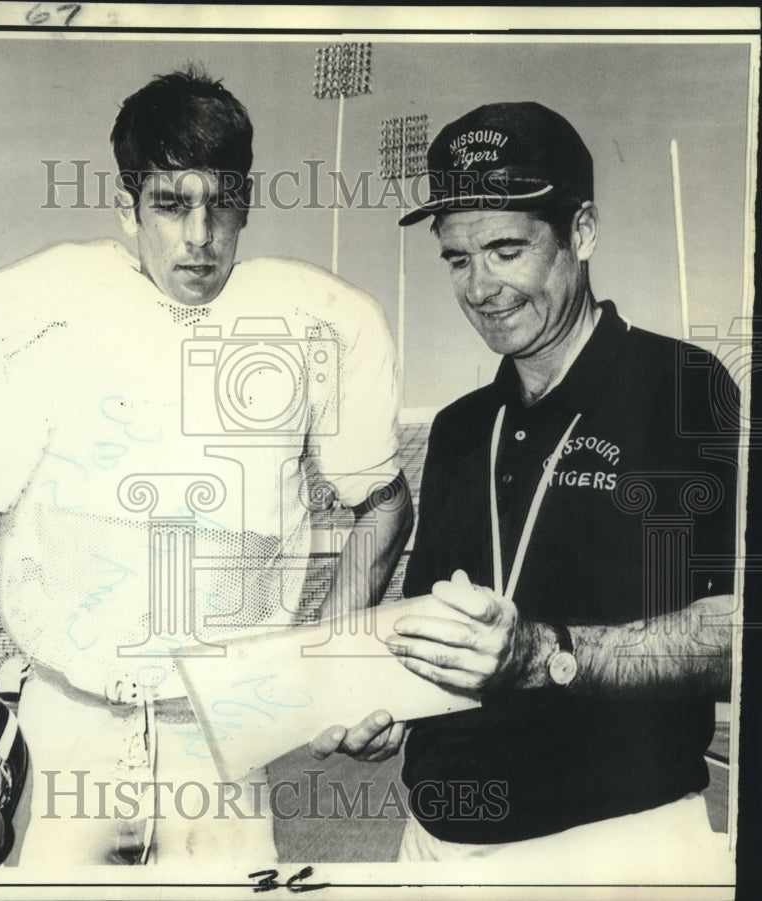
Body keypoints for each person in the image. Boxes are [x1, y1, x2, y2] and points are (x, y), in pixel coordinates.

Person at [0, 67, 412, 866]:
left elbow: (383, 499)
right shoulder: (35, 306)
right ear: (125, 203)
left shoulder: (324, 322)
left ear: (249, 200)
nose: (198, 236)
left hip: (222, 742)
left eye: (221, 202)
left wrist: (339, 661)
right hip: (65, 726)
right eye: (170, 204)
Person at [311, 101, 738, 867]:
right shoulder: (459, 427)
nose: (480, 287)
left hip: (608, 845)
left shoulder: (683, 387)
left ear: (582, 232)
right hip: (433, 843)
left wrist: (548, 655)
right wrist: (380, 704)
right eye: (456, 258)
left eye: (507, 249)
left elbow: (739, 630)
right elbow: (438, 628)